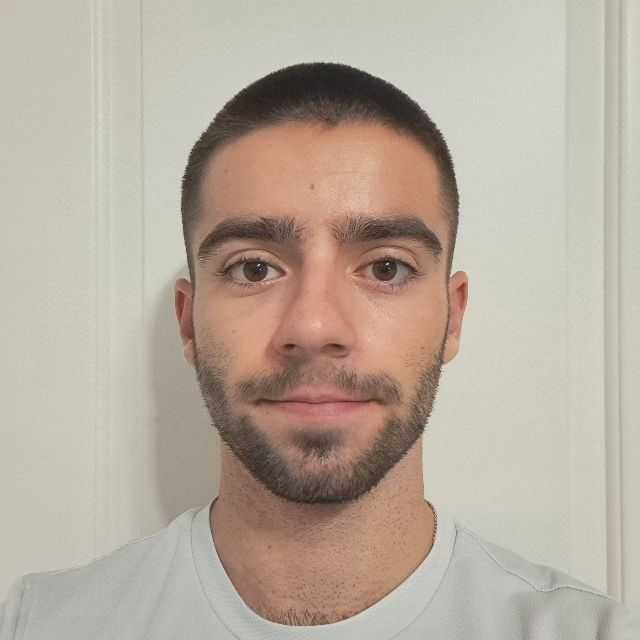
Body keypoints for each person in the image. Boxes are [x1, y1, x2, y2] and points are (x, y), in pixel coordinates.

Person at [1, 62, 638, 639]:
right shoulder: (40, 625)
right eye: (254, 269)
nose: (313, 326)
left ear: (453, 318)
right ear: (189, 322)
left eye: (386, 268)